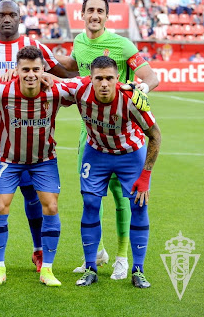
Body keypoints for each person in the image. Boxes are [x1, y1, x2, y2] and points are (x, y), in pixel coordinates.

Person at [0, 0, 76, 274]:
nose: (7, 19)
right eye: (2, 15)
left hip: (31, 130)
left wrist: (47, 76)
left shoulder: (36, 49)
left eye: (13, 14)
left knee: (31, 190)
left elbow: (67, 76)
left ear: (21, 17)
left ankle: (38, 251)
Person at [59, 0, 159, 280]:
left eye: (100, 11)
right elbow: (72, 68)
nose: (94, 15)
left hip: (122, 128)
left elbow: (151, 76)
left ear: (106, 16)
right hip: (88, 131)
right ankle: (97, 253)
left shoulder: (122, 44)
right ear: (82, 14)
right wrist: (49, 58)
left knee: (121, 196)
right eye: (89, 10)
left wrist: (142, 90)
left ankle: (122, 257)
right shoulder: (79, 41)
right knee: (90, 196)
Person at [0, 46, 76, 287]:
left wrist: (55, 78)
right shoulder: (3, 91)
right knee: (0, 207)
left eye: (36, 69)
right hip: (8, 161)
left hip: (43, 161)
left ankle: (48, 269)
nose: (31, 74)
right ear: (16, 70)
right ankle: (0, 268)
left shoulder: (56, 92)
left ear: (43, 69)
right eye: (25, 69)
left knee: (51, 207)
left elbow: (84, 86)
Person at [69, 56, 161, 288]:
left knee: (138, 205)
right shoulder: (78, 90)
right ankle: (91, 267)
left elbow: (156, 136)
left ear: (117, 78)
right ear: (90, 79)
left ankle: (138, 270)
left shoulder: (132, 98)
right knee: (90, 203)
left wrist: (146, 175)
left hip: (130, 154)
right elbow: (50, 80)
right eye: (98, 78)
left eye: (109, 78)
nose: (104, 84)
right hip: (96, 152)